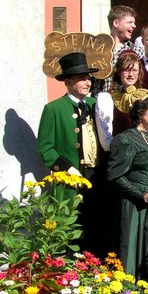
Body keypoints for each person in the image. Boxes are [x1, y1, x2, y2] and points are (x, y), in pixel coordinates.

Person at [38, 52, 103, 254]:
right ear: (68, 82)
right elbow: (45, 148)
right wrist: (67, 169)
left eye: (88, 78)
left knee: (95, 229)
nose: (87, 82)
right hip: (69, 181)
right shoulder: (53, 109)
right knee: (68, 230)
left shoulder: (96, 105)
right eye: (81, 78)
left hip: (97, 176)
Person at [107, 95, 148, 278]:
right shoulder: (126, 139)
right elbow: (115, 175)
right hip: (136, 206)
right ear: (141, 113)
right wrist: (140, 193)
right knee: (133, 250)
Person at [96, 50, 148, 151]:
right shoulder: (107, 98)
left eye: (134, 70)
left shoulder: (145, 95)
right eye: (126, 70)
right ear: (119, 72)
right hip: (118, 155)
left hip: (142, 153)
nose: (131, 74)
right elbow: (106, 138)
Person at [95, 5, 139, 93]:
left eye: (134, 22)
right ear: (116, 23)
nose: (134, 26)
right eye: (130, 22)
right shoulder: (97, 49)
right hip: (98, 101)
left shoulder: (135, 50)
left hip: (124, 102)